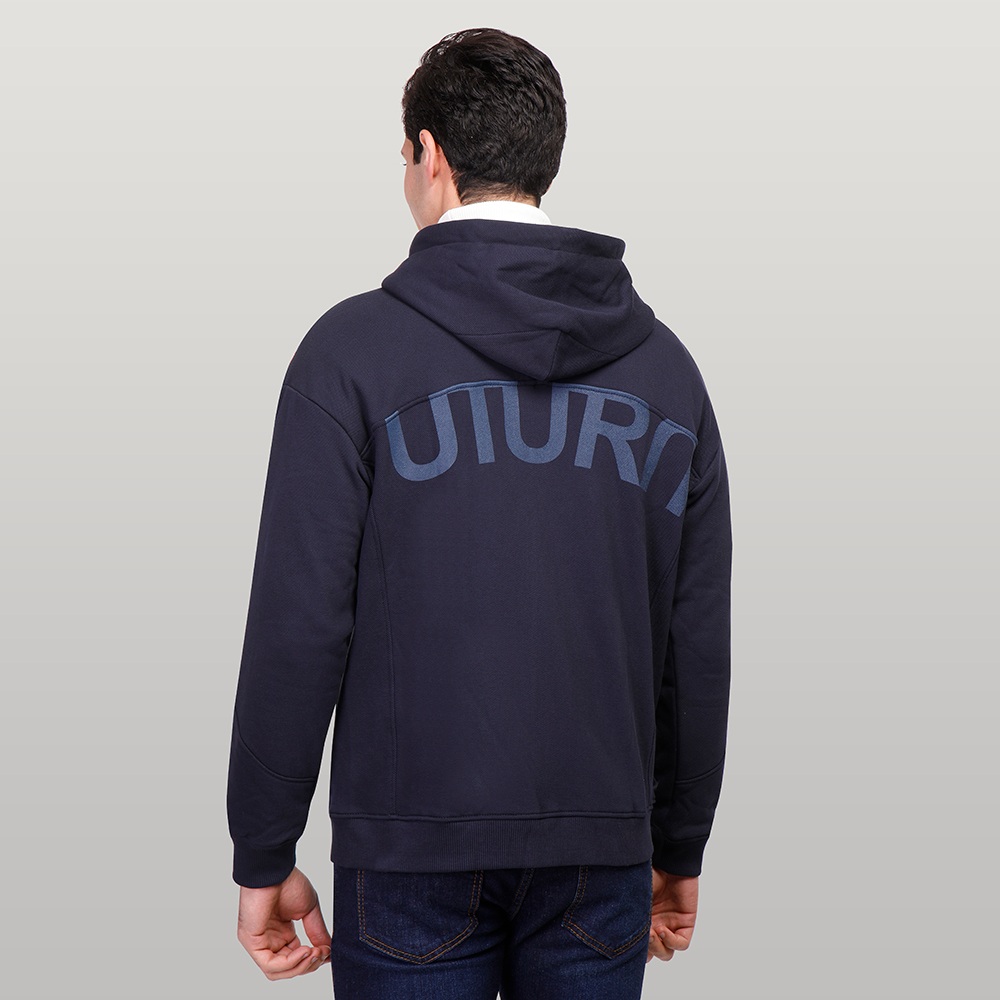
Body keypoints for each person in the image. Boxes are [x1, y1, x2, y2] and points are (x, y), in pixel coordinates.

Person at [226, 26, 732, 999]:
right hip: (600, 852)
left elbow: (300, 622)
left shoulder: (348, 357)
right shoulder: (667, 373)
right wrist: (679, 844)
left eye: (403, 156)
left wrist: (263, 849)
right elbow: (694, 638)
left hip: (407, 855)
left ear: (431, 156)